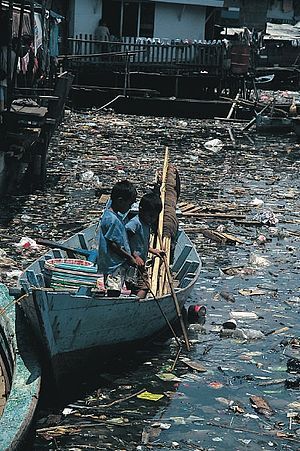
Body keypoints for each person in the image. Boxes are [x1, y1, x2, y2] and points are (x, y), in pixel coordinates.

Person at [97, 180, 137, 297]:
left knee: (114, 287)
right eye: (129, 204)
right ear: (120, 201)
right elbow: (113, 245)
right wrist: (129, 257)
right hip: (113, 264)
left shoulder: (109, 214)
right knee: (113, 291)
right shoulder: (113, 220)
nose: (129, 208)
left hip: (112, 263)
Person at [125, 191, 164, 299]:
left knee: (135, 285)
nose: (152, 219)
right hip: (132, 261)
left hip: (140, 263)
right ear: (141, 209)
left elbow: (142, 243)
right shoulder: (135, 223)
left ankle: (133, 300)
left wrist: (152, 250)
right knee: (144, 286)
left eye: (155, 216)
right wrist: (135, 256)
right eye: (150, 215)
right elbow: (125, 240)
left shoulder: (146, 224)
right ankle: (136, 304)